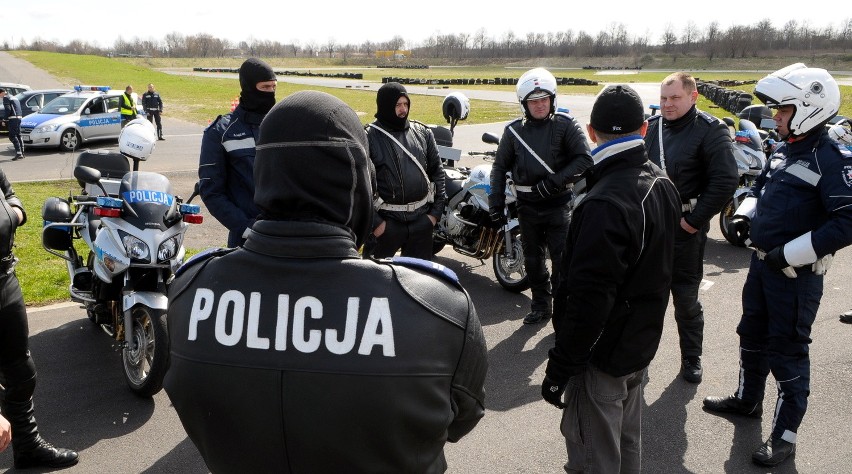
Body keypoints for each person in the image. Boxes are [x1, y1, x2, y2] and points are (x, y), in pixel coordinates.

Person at [164, 90, 487, 474]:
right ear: (359, 179)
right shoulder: (439, 306)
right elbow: (461, 418)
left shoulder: (188, 291)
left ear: (264, 174)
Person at [703, 63, 852, 467]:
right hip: (762, 268)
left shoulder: (831, 159)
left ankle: (785, 438)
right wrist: (745, 214)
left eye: (782, 111)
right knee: (750, 334)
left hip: (796, 277)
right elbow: (762, 188)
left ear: (808, 108)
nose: (775, 117)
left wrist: (792, 253)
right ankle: (748, 400)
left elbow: (847, 221)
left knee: (788, 354)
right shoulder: (785, 148)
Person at [541, 85, 681, 472]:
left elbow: (588, 302)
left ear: (590, 131)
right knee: (628, 445)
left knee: (594, 459)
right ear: (643, 129)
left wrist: (560, 368)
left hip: (601, 359)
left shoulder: (603, 201)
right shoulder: (663, 184)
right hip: (638, 345)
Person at [644, 71, 739, 383]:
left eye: (674, 98)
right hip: (651, 229)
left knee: (685, 301)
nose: (668, 104)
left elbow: (726, 180)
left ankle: (692, 359)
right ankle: (638, 358)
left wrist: (693, 222)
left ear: (693, 96)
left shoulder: (711, 130)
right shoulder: (652, 128)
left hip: (686, 230)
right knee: (645, 299)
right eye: (663, 98)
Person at [488, 67, 592, 325]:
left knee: (561, 262)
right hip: (527, 207)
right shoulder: (513, 132)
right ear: (524, 103)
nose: (540, 105)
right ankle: (540, 306)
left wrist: (553, 182)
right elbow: (499, 168)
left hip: (558, 206)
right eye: (534, 101)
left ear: (552, 100)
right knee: (533, 262)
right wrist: (495, 204)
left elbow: (584, 159)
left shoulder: (566, 125)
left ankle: (562, 312)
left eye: (544, 99)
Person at [0, 167, 79, 469]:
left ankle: (28, 446)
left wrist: (14, 214)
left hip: (5, 277)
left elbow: (11, 196)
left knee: (21, 369)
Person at [198, 57, 277, 247]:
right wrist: (248, 228)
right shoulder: (220, 132)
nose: (271, 93)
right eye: (265, 88)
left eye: (274, 88)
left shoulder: (283, 126)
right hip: (246, 241)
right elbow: (211, 192)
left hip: (287, 236)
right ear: (249, 87)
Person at [365, 82, 447, 261]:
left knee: (419, 282)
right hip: (387, 225)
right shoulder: (368, 137)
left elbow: (438, 174)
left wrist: (433, 216)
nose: (403, 109)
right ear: (385, 105)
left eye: (406, 104)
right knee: (376, 284)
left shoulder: (423, 133)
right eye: (397, 105)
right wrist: (377, 225)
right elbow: (360, 187)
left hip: (421, 222)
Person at [0, 89, 25, 160]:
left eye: (0, 95)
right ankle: (22, 153)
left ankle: (18, 153)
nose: (0, 97)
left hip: (13, 118)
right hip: (19, 117)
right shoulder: (14, 97)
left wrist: (4, 119)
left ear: (2, 93)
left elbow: (8, 109)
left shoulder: (6, 98)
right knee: (18, 135)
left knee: (12, 136)